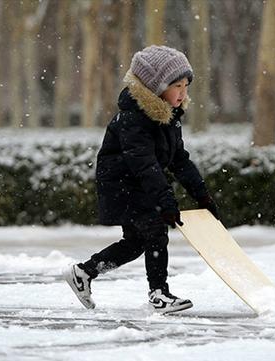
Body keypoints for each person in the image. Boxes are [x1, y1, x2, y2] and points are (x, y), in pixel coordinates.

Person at [63, 45, 219, 315]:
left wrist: (202, 195)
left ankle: (84, 272)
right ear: (156, 87)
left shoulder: (168, 117)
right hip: (123, 185)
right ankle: (159, 294)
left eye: (186, 85)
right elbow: (143, 164)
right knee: (156, 232)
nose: (183, 93)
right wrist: (166, 200)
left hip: (138, 183)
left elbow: (179, 159)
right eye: (176, 85)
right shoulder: (134, 118)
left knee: (136, 243)